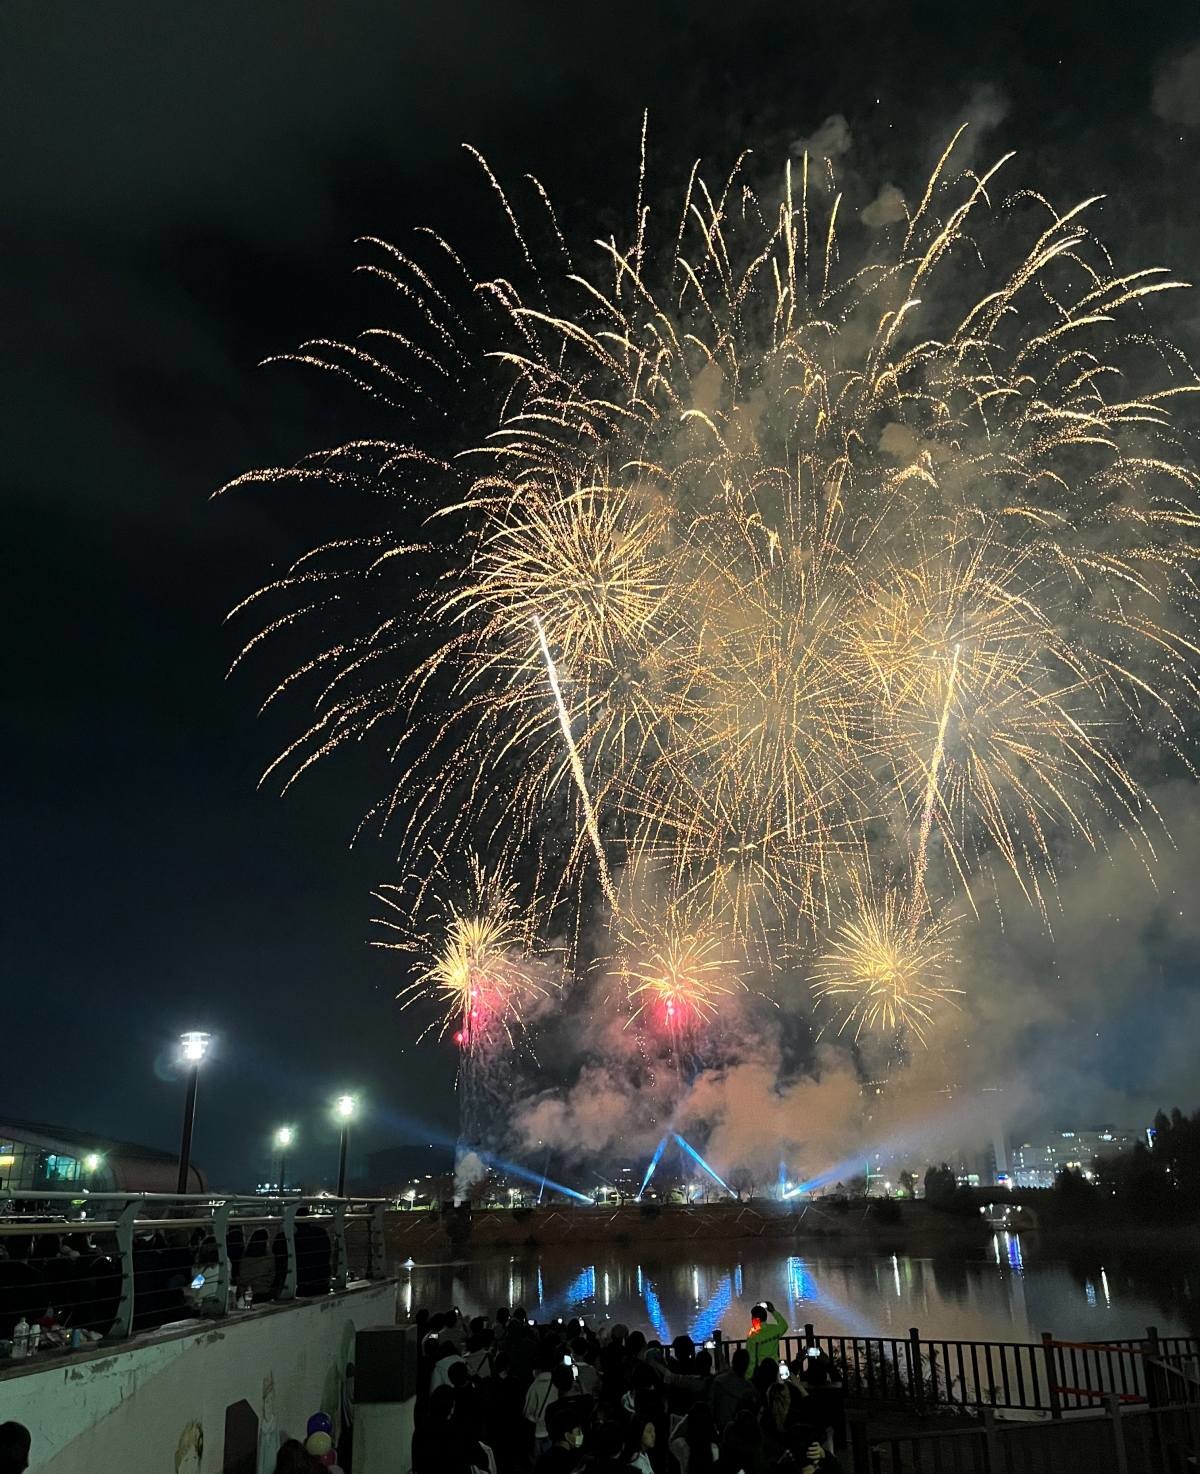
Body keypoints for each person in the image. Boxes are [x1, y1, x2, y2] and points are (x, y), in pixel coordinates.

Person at [533, 1399, 587, 1474]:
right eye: (578, 1432)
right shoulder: (568, 1460)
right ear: (567, 1435)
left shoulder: (544, 1458)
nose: (581, 1435)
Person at [710, 1347, 756, 1430]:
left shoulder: (719, 1381)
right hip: (741, 1428)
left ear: (733, 1362)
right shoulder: (748, 1388)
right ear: (747, 1365)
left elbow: (712, 1405)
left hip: (720, 1425)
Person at [746, 1300, 788, 1374]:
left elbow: (751, 1359)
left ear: (755, 1320)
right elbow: (784, 1325)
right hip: (775, 1368)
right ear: (765, 1317)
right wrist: (773, 1311)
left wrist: (749, 1375)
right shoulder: (775, 1329)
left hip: (761, 1371)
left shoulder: (753, 1337)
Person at [238, 1228, 276, 1302]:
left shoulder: (244, 1258)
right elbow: (272, 1276)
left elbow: (242, 1278)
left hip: (248, 1293)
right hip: (263, 1292)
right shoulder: (268, 1258)